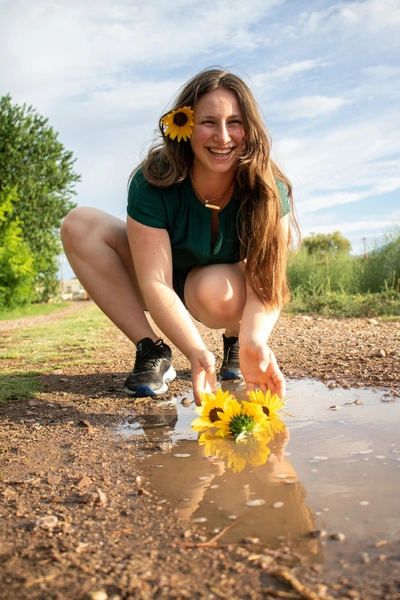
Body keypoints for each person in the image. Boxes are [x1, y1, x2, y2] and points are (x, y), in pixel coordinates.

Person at [61, 68, 299, 405]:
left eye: (235, 122)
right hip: (164, 277)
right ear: (185, 125)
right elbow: (156, 282)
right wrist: (195, 351)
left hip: (219, 286)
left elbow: (268, 280)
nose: (223, 136)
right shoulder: (153, 180)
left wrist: (254, 340)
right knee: (79, 225)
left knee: (215, 290)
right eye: (208, 122)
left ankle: (236, 341)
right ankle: (151, 351)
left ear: (250, 129)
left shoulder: (268, 188)